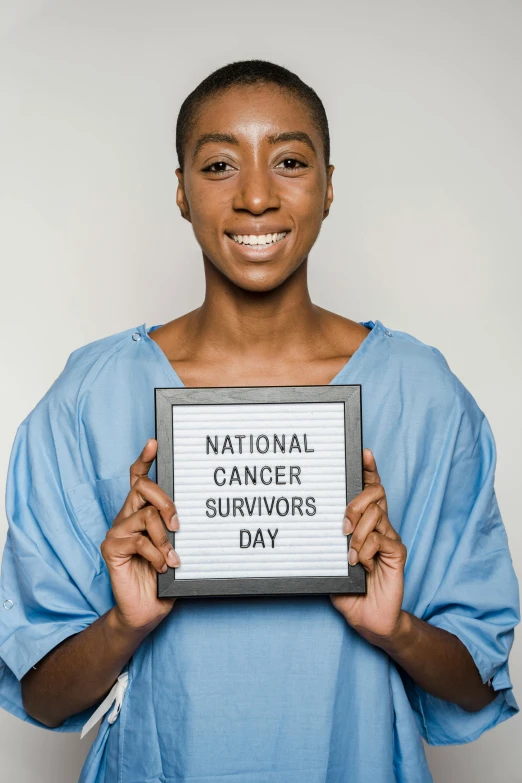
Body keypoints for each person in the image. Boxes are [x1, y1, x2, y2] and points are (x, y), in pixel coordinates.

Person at [0, 59, 519, 783]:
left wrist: (393, 627)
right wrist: (126, 622)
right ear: (180, 191)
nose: (254, 196)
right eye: (218, 164)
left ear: (329, 185)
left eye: (289, 160)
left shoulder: (420, 395)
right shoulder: (91, 399)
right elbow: (39, 694)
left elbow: (475, 684)